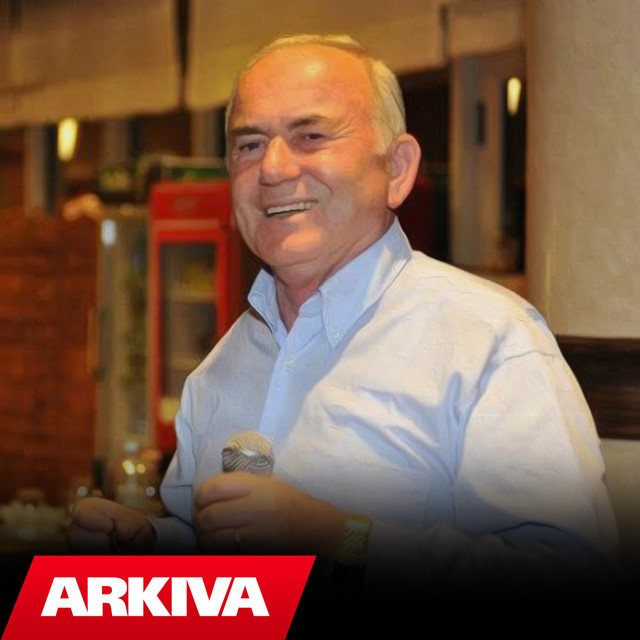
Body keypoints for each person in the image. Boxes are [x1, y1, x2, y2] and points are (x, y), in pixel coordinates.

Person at [69, 34, 622, 605]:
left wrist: (343, 543)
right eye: (249, 144)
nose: (273, 168)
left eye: (310, 136)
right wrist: (151, 549)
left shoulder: (489, 343)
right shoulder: (219, 371)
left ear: (397, 169)